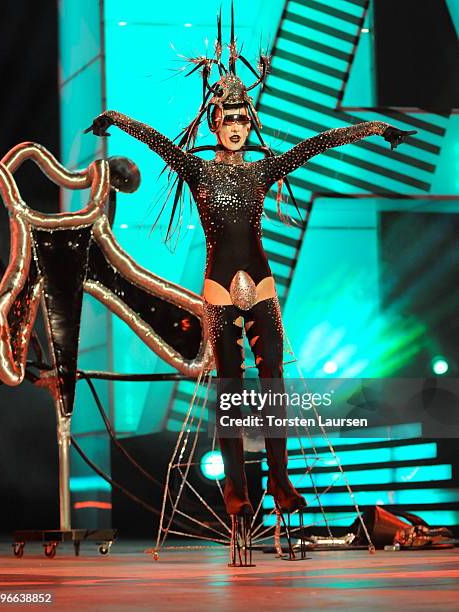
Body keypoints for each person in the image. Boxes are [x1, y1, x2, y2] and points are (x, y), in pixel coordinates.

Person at [86, 27, 416, 556]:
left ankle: (281, 482)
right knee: (232, 392)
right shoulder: (195, 170)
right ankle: (237, 490)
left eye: (243, 119)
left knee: (273, 386)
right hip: (219, 289)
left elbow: (315, 145)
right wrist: (116, 121)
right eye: (227, 119)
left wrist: (376, 128)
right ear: (214, 123)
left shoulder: (264, 170)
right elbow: (156, 141)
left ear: (248, 123)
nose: (236, 127)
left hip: (260, 285)